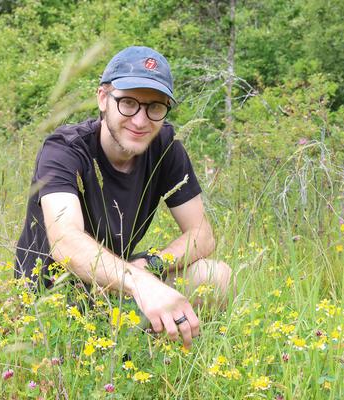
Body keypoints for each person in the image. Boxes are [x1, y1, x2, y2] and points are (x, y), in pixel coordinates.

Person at [15, 46, 232, 349]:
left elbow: (202, 234)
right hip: (52, 299)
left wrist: (151, 265)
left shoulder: (165, 146)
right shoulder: (64, 149)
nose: (141, 121)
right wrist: (140, 283)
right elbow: (66, 241)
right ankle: (121, 348)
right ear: (103, 98)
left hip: (116, 286)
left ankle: (151, 354)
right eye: (128, 103)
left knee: (216, 276)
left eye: (155, 107)